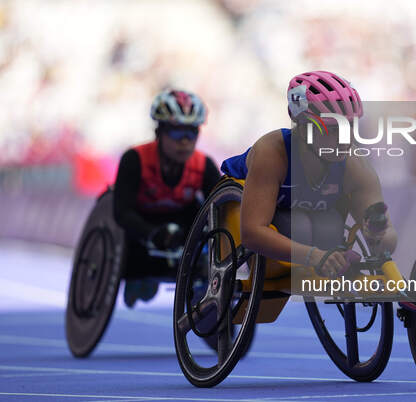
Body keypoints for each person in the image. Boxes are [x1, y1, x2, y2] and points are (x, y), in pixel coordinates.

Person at [221, 71, 397, 277]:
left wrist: (378, 235)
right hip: (245, 203)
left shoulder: (356, 167)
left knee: (328, 227)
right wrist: (314, 256)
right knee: (300, 227)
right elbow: (252, 234)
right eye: (332, 129)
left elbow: (388, 242)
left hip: (305, 217)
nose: (346, 138)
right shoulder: (270, 153)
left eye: (350, 126)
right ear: (304, 129)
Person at [114, 89, 221, 307]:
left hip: (181, 224)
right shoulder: (135, 159)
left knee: (208, 214)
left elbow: (221, 210)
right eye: (176, 132)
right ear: (159, 132)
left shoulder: (204, 165)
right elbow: (121, 212)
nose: (184, 142)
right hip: (140, 226)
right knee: (136, 265)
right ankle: (139, 274)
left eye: (191, 133)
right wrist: (151, 234)